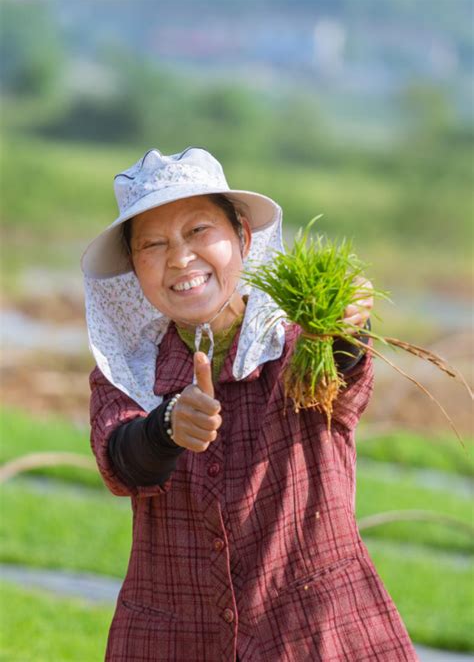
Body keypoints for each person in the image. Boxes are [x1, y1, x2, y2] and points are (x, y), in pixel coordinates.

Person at [82, 147, 418, 661]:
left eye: (198, 232)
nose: (180, 258)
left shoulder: (296, 342)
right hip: (171, 640)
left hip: (318, 637)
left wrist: (350, 328)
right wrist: (168, 428)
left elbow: (341, 378)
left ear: (240, 235)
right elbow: (122, 461)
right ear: (133, 265)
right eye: (153, 244)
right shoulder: (127, 369)